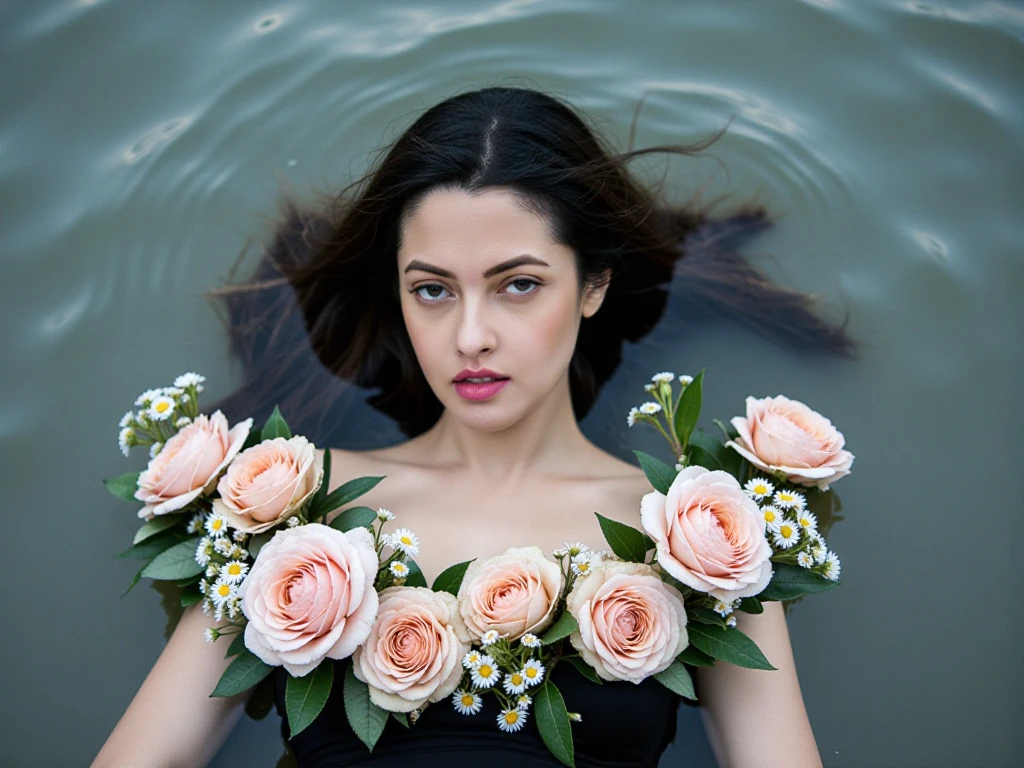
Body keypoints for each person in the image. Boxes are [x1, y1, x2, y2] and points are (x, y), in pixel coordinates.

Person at [95, 85, 855, 768]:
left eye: (518, 285)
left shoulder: (701, 537)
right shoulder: (293, 508)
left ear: (594, 284)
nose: (470, 337)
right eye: (432, 290)